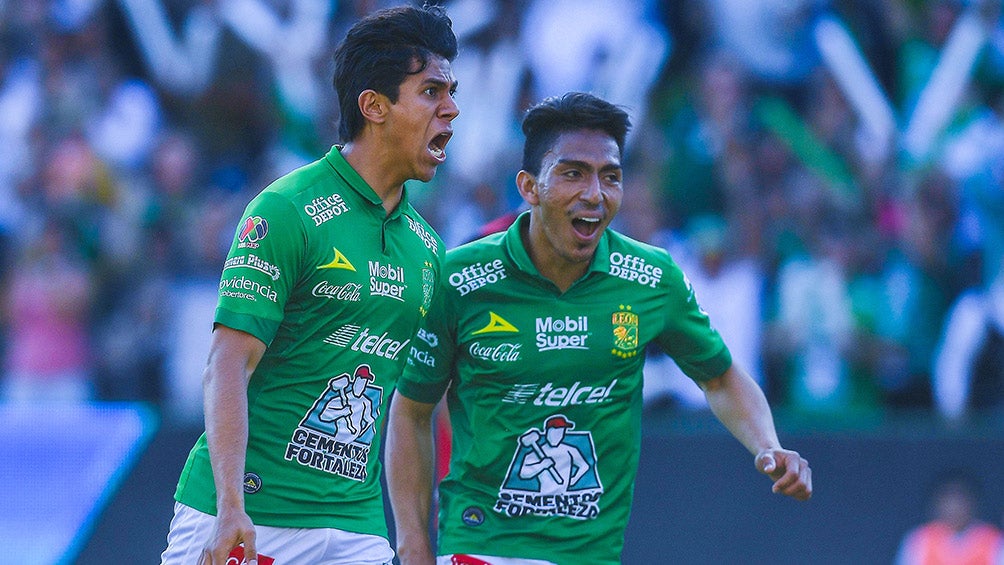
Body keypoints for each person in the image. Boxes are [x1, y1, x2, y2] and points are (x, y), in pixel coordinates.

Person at [386, 92, 811, 565]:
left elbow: (720, 376)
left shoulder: (651, 278)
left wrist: (769, 447)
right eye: (573, 173)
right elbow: (411, 412)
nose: (595, 193)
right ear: (529, 187)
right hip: (483, 549)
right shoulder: (459, 277)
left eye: (610, 177)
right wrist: (413, 545)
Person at [160, 5, 459, 564]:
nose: (451, 109)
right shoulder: (287, 208)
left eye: (451, 92)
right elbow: (227, 362)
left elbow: (416, 403)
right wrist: (229, 507)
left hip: (356, 528)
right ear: (373, 106)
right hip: (250, 518)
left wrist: (417, 533)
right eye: (431, 92)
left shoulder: (428, 248)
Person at [895, 468, 1004, 565]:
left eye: (960, 500)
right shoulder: (919, 539)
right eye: (948, 501)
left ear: (973, 503)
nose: (954, 507)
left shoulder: (994, 541)